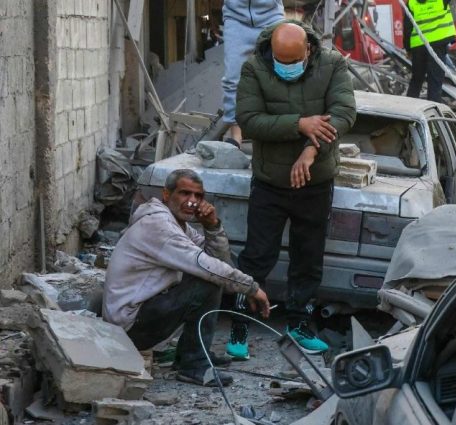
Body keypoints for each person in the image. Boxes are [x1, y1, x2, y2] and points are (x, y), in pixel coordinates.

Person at [229, 21, 356, 359]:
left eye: (293, 62)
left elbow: (344, 113)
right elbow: (249, 119)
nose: (285, 69)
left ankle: (299, 324)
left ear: (308, 50)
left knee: (308, 258)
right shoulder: (254, 68)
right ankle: (240, 324)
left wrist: (311, 149)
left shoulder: (332, 64)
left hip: (316, 182)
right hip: (270, 182)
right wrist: (299, 124)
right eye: (280, 62)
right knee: (257, 256)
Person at [103, 169, 271, 386]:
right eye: (184, 193)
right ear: (166, 194)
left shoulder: (178, 225)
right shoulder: (159, 225)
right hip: (129, 327)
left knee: (212, 278)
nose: (192, 201)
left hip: (140, 314)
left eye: (198, 196)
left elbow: (218, 260)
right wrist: (251, 288)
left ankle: (191, 355)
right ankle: (194, 365)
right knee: (208, 283)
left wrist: (212, 226)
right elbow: (207, 267)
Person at [220, 0, 284, 145]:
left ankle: (279, 128)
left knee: (281, 72)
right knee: (232, 78)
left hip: (272, 16)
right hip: (235, 18)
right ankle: (236, 135)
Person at [403, 0, 456, 103]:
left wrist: (408, 49)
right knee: (435, 81)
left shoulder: (412, 3)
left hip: (418, 45)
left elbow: (407, 27)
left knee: (416, 80)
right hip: (438, 43)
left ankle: (408, 107)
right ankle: (434, 106)